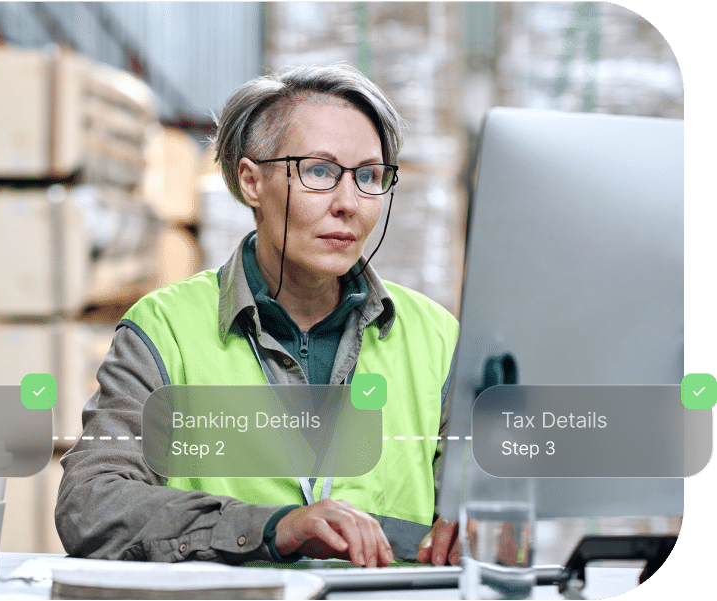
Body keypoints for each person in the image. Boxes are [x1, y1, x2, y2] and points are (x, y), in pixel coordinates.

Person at [56, 63, 461, 568]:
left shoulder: (436, 336)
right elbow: (90, 505)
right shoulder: (167, 330)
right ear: (251, 182)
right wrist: (272, 528)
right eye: (319, 171)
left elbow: (482, 506)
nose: (349, 203)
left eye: (369, 177)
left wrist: (486, 525)